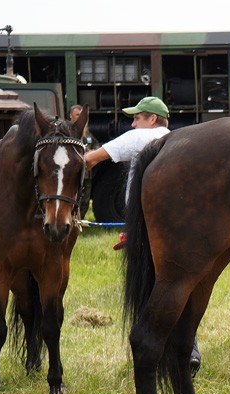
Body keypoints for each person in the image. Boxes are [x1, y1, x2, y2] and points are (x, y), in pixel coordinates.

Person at [84, 96, 202, 377]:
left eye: (137, 117)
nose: (133, 123)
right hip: (181, 228)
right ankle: (190, 350)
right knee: (179, 287)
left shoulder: (141, 138)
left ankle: (153, 351)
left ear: (152, 120)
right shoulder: (178, 139)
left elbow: (90, 159)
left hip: (147, 228)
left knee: (149, 289)